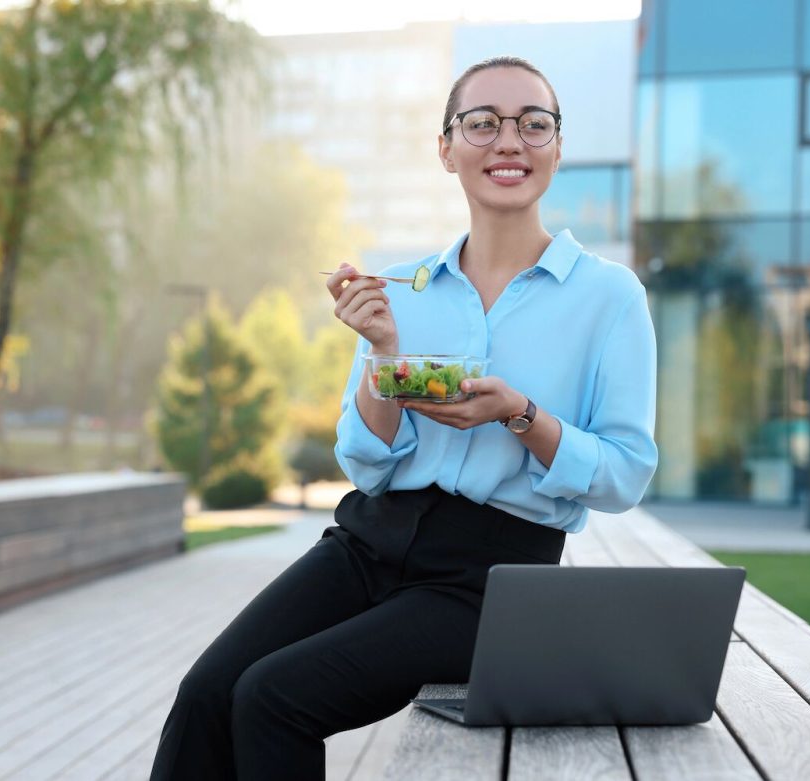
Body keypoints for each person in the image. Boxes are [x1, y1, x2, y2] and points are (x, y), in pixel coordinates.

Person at [149, 55, 658, 781]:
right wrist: (381, 352)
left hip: (489, 576)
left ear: (557, 147)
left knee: (272, 696)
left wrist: (519, 413)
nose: (509, 141)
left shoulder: (609, 297)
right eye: (482, 123)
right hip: (367, 540)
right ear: (446, 149)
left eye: (532, 124)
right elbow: (365, 462)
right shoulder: (407, 289)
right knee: (204, 693)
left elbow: (625, 475)